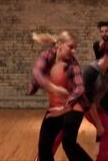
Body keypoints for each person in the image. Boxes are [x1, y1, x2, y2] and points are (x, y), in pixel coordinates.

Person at [30, 31, 92, 161]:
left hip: (74, 106)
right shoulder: (47, 56)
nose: (74, 51)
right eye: (71, 47)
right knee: (44, 146)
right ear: (59, 45)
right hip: (55, 107)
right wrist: (53, 88)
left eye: (75, 48)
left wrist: (64, 107)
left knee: (68, 143)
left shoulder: (73, 64)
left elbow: (80, 88)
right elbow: (37, 71)